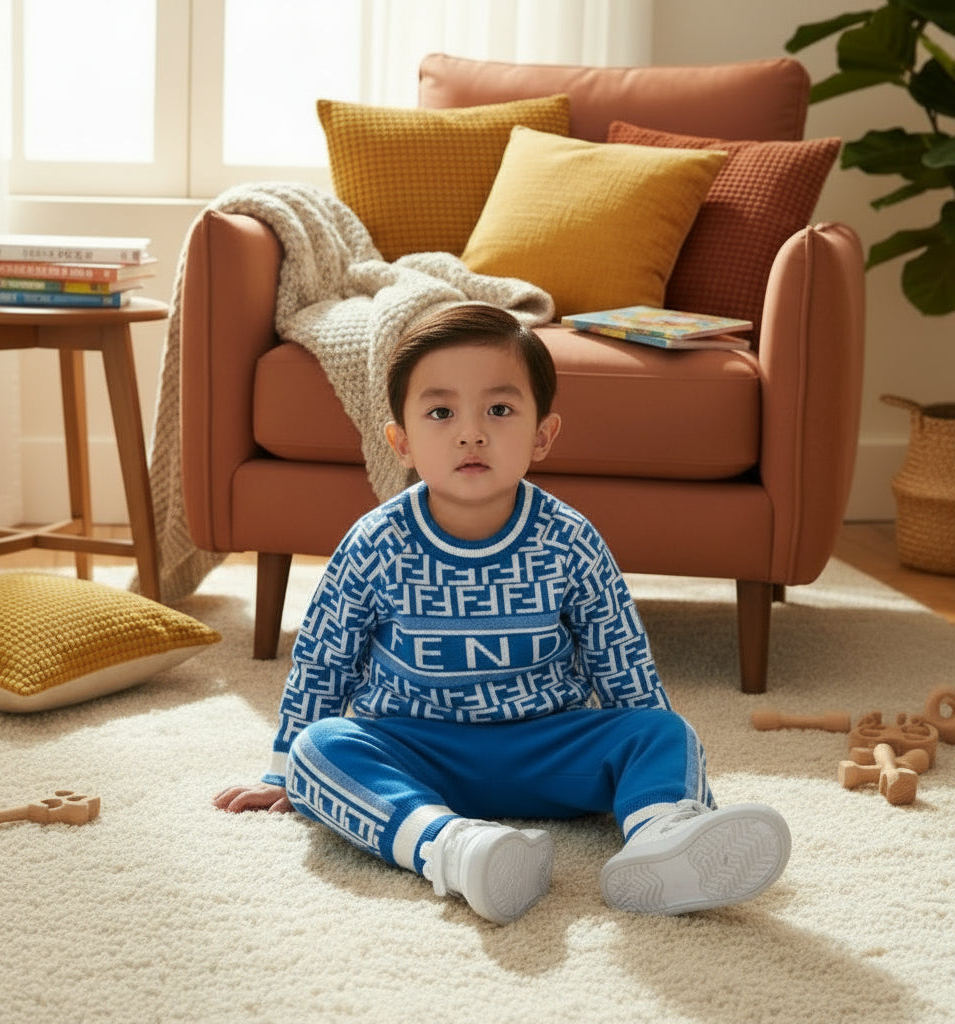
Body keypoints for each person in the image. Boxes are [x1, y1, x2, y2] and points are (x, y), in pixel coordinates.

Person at [214, 302, 791, 925]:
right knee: (318, 748)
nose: (471, 434)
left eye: (499, 410)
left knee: (664, 731)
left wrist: (653, 753)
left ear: (543, 434)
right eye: (441, 413)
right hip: (417, 751)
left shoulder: (570, 540)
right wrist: (283, 772)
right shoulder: (375, 543)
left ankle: (663, 837)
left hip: (549, 749)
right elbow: (323, 661)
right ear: (402, 442)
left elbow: (622, 662)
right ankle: (455, 849)